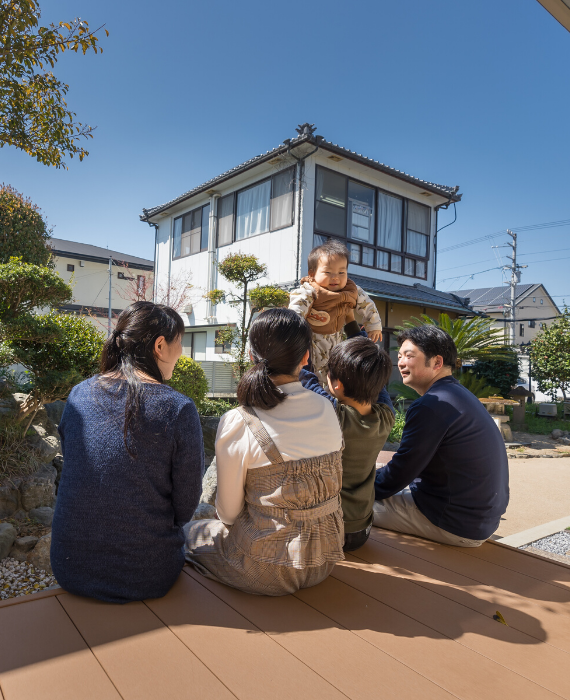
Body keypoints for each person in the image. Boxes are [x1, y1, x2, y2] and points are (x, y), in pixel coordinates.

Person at [51, 301, 204, 603]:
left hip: (70, 567)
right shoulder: (178, 408)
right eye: (179, 343)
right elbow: (186, 505)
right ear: (160, 345)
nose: (181, 352)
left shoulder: (79, 392)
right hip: (147, 574)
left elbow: (75, 465)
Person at [185, 308, 345, 596]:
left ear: (250, 356)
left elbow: (229, 515)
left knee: (190, 530)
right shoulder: (327, 408)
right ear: (306, 357)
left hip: (264, 567)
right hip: (323, 560)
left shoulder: (240, 419)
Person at [373, 326, 509, 547]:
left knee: (350, 504)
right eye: (399, 356)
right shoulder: (457, 394)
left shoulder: (431, 405)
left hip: (452, 523)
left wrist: (355, 486)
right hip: (478, 519)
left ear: (436, 362)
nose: (400, 363)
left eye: (409, 356)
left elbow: (396, 477)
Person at [300, 336, 395, 551]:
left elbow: (306, 378)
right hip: (362, 531)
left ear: (336, 383)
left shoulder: (334, 415)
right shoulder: (387, 417)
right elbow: (380, 388)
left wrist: (302, 343)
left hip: (329, 531)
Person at [289, 240, 383, 384]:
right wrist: (294, 324)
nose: (335, 277)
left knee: (334, 372)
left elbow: (368, 305)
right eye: (328, 272)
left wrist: (373, 325)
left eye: (341, 272)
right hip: (313, 340)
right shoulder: (310, 290)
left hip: (337, 340)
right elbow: (297, 306)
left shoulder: (351, 290)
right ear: (312, 273)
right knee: (310, 370)